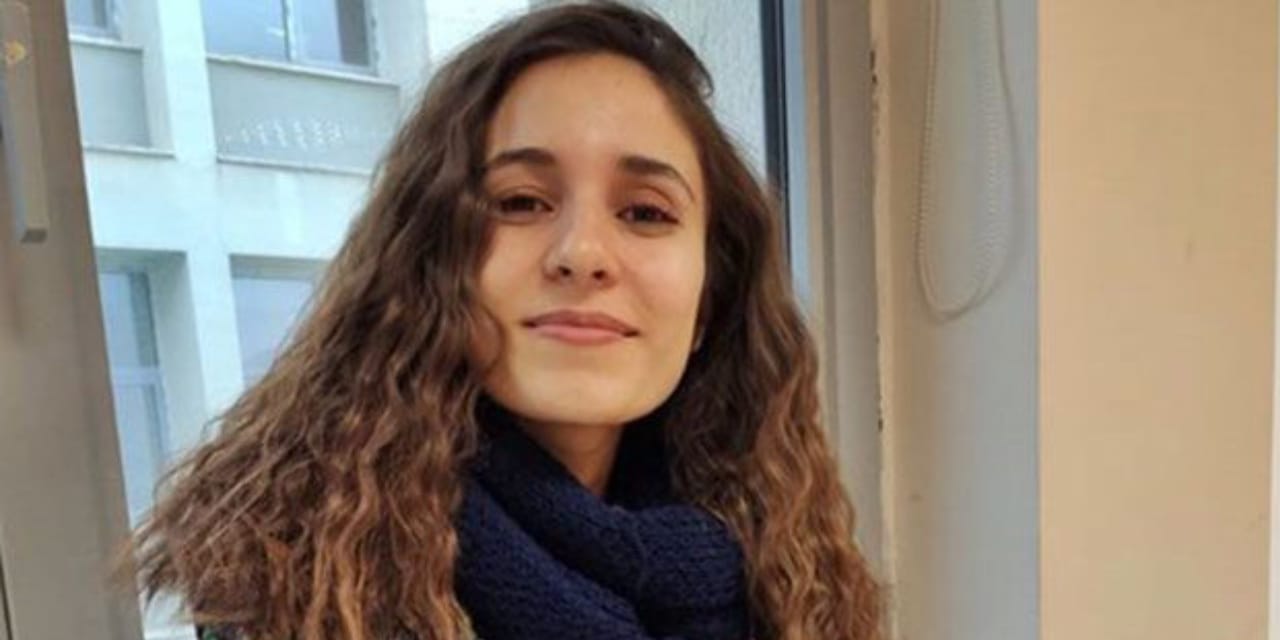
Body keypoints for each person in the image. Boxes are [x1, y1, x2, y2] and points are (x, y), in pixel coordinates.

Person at [121, 2, 882, 639]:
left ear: (710, 297)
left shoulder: (781, 575)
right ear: (431, 258)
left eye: (646, 213)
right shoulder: (304, 590)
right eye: (521, 202)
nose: (582, 254)